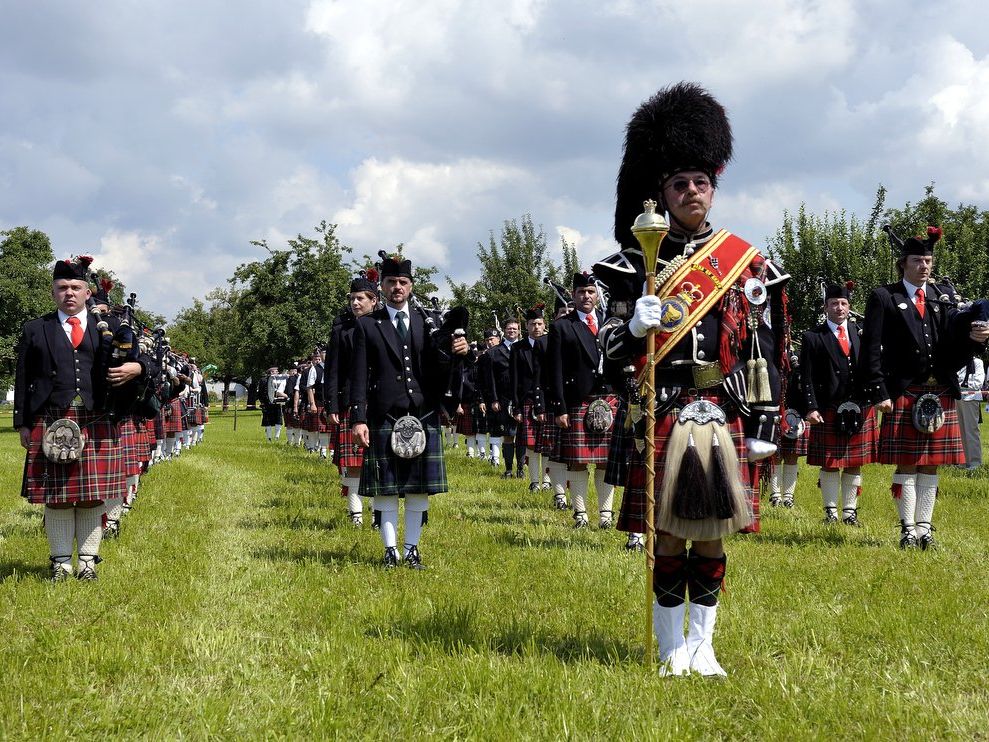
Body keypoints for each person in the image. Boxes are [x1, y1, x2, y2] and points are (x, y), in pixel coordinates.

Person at [601, 83, 790, 676]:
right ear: (661, 191)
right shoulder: (630, 264)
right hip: (660, 408)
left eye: (700, 184)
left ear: (713, 189)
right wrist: (633, 325)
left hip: (722, 406)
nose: (691, 193)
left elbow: (769, 349)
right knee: (664, 536)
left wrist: (765, 419)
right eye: (679, 184)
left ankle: (703, 646)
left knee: (711, 535)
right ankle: (668, 647)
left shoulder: (747, 262)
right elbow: (604, 352)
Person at [14, 255, 152, 581]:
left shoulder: (113, 329)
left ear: (88, 292)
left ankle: (87, 562)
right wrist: (22, 422)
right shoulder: (36, 329)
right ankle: (61, 563)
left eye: (76, 287)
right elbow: (23, 377)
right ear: (53, 292)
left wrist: (138, 367)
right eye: (62, 288)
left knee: (91, 496)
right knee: (58, 496)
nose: (69, 293)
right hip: (51, 420)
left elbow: (150, 364)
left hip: (97, 419)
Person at [861, 226, 989, 549]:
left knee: (932, 463)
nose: (925, 266)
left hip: (939, 390)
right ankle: (907, 528)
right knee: (908, 462)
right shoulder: (884, 297)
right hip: (904, 390)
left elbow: (951, 342)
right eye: (918, 260)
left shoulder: (940, 297)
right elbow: (871, 349)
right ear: (903, 263)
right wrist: (879, 392)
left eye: (928, 261)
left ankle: (925, 528)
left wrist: (973, 341)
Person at [350, 254, 469, 568]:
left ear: (411, 285)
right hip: (383, 414)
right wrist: (358, 418)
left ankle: (412, 549)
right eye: (391, 282)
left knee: (418, 489)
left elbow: (442, 365)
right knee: (386, 489)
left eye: (402, 282)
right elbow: (359, 375)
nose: (397, 288)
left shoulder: (427, 321)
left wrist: (461, 353)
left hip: (423, 413)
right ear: (382, 285)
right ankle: (390, 551)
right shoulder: (366, 325)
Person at [801, 284, 878, 525]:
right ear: (826, 308)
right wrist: (811, 407)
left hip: (860, 405)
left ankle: (850, 513)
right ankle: (831, 512)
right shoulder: (813, 337)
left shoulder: (860, 332)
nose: (839, 307)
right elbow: (806, 376)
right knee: (831, 462)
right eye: (834, 303)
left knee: (855, 463)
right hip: (828, 407)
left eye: (843, 303)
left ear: (849, 307)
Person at [546, 272, 618, 529]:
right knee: (577, 461)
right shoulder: (561, 326)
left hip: (609, 397)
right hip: (578, 399)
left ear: (597, 295)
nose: (586, 296)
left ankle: (606, 515)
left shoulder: (612, 323)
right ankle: (580, 514)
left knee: (606, 460)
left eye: (590, 292)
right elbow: (554, 370)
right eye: (580, 292)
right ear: (573, 296)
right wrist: (560, 407)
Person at [325, 270, 379, 525]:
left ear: (374, 300)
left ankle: (380, 514)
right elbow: (332, 370)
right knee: (355, 464)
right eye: (352, 299)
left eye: (360, 298)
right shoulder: (341, 330)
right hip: (350, 401)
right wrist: (332, 404)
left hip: (381, 401)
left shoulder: (385, 325)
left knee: (379, 461)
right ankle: (356, 513)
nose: (355, 303)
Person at [511, 306, 548, 491]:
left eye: (539, 323)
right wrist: (516, 408)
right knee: (532, 446)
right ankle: (534, 481)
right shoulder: (518, 348)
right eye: (532, 324)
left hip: (548, 400)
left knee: (548, 443)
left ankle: (548, 481)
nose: (536, 327)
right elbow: (514, 378)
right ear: (526, 326)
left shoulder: (551, 343)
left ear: (544, 324)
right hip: (526, 399)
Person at [956, 355, 985, 470]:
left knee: (971, 431)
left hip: (971, 398)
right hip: (958, 398)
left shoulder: (977, 362)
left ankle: (974, 462)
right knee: (959, 431)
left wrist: (960, 385)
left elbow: (978, 383)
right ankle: (962, 461)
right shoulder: (958, 362)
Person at [260, 366, 287, 442]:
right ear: (271, 372)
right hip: (267, 404)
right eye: (276, 371)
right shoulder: (263, 380)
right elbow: (260, 393)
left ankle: (276, 437)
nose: (278, 373)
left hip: (277, 403)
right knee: (267, 421)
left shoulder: (279, 380)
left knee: (278, 420)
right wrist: (263, 403)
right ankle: (269, 438)